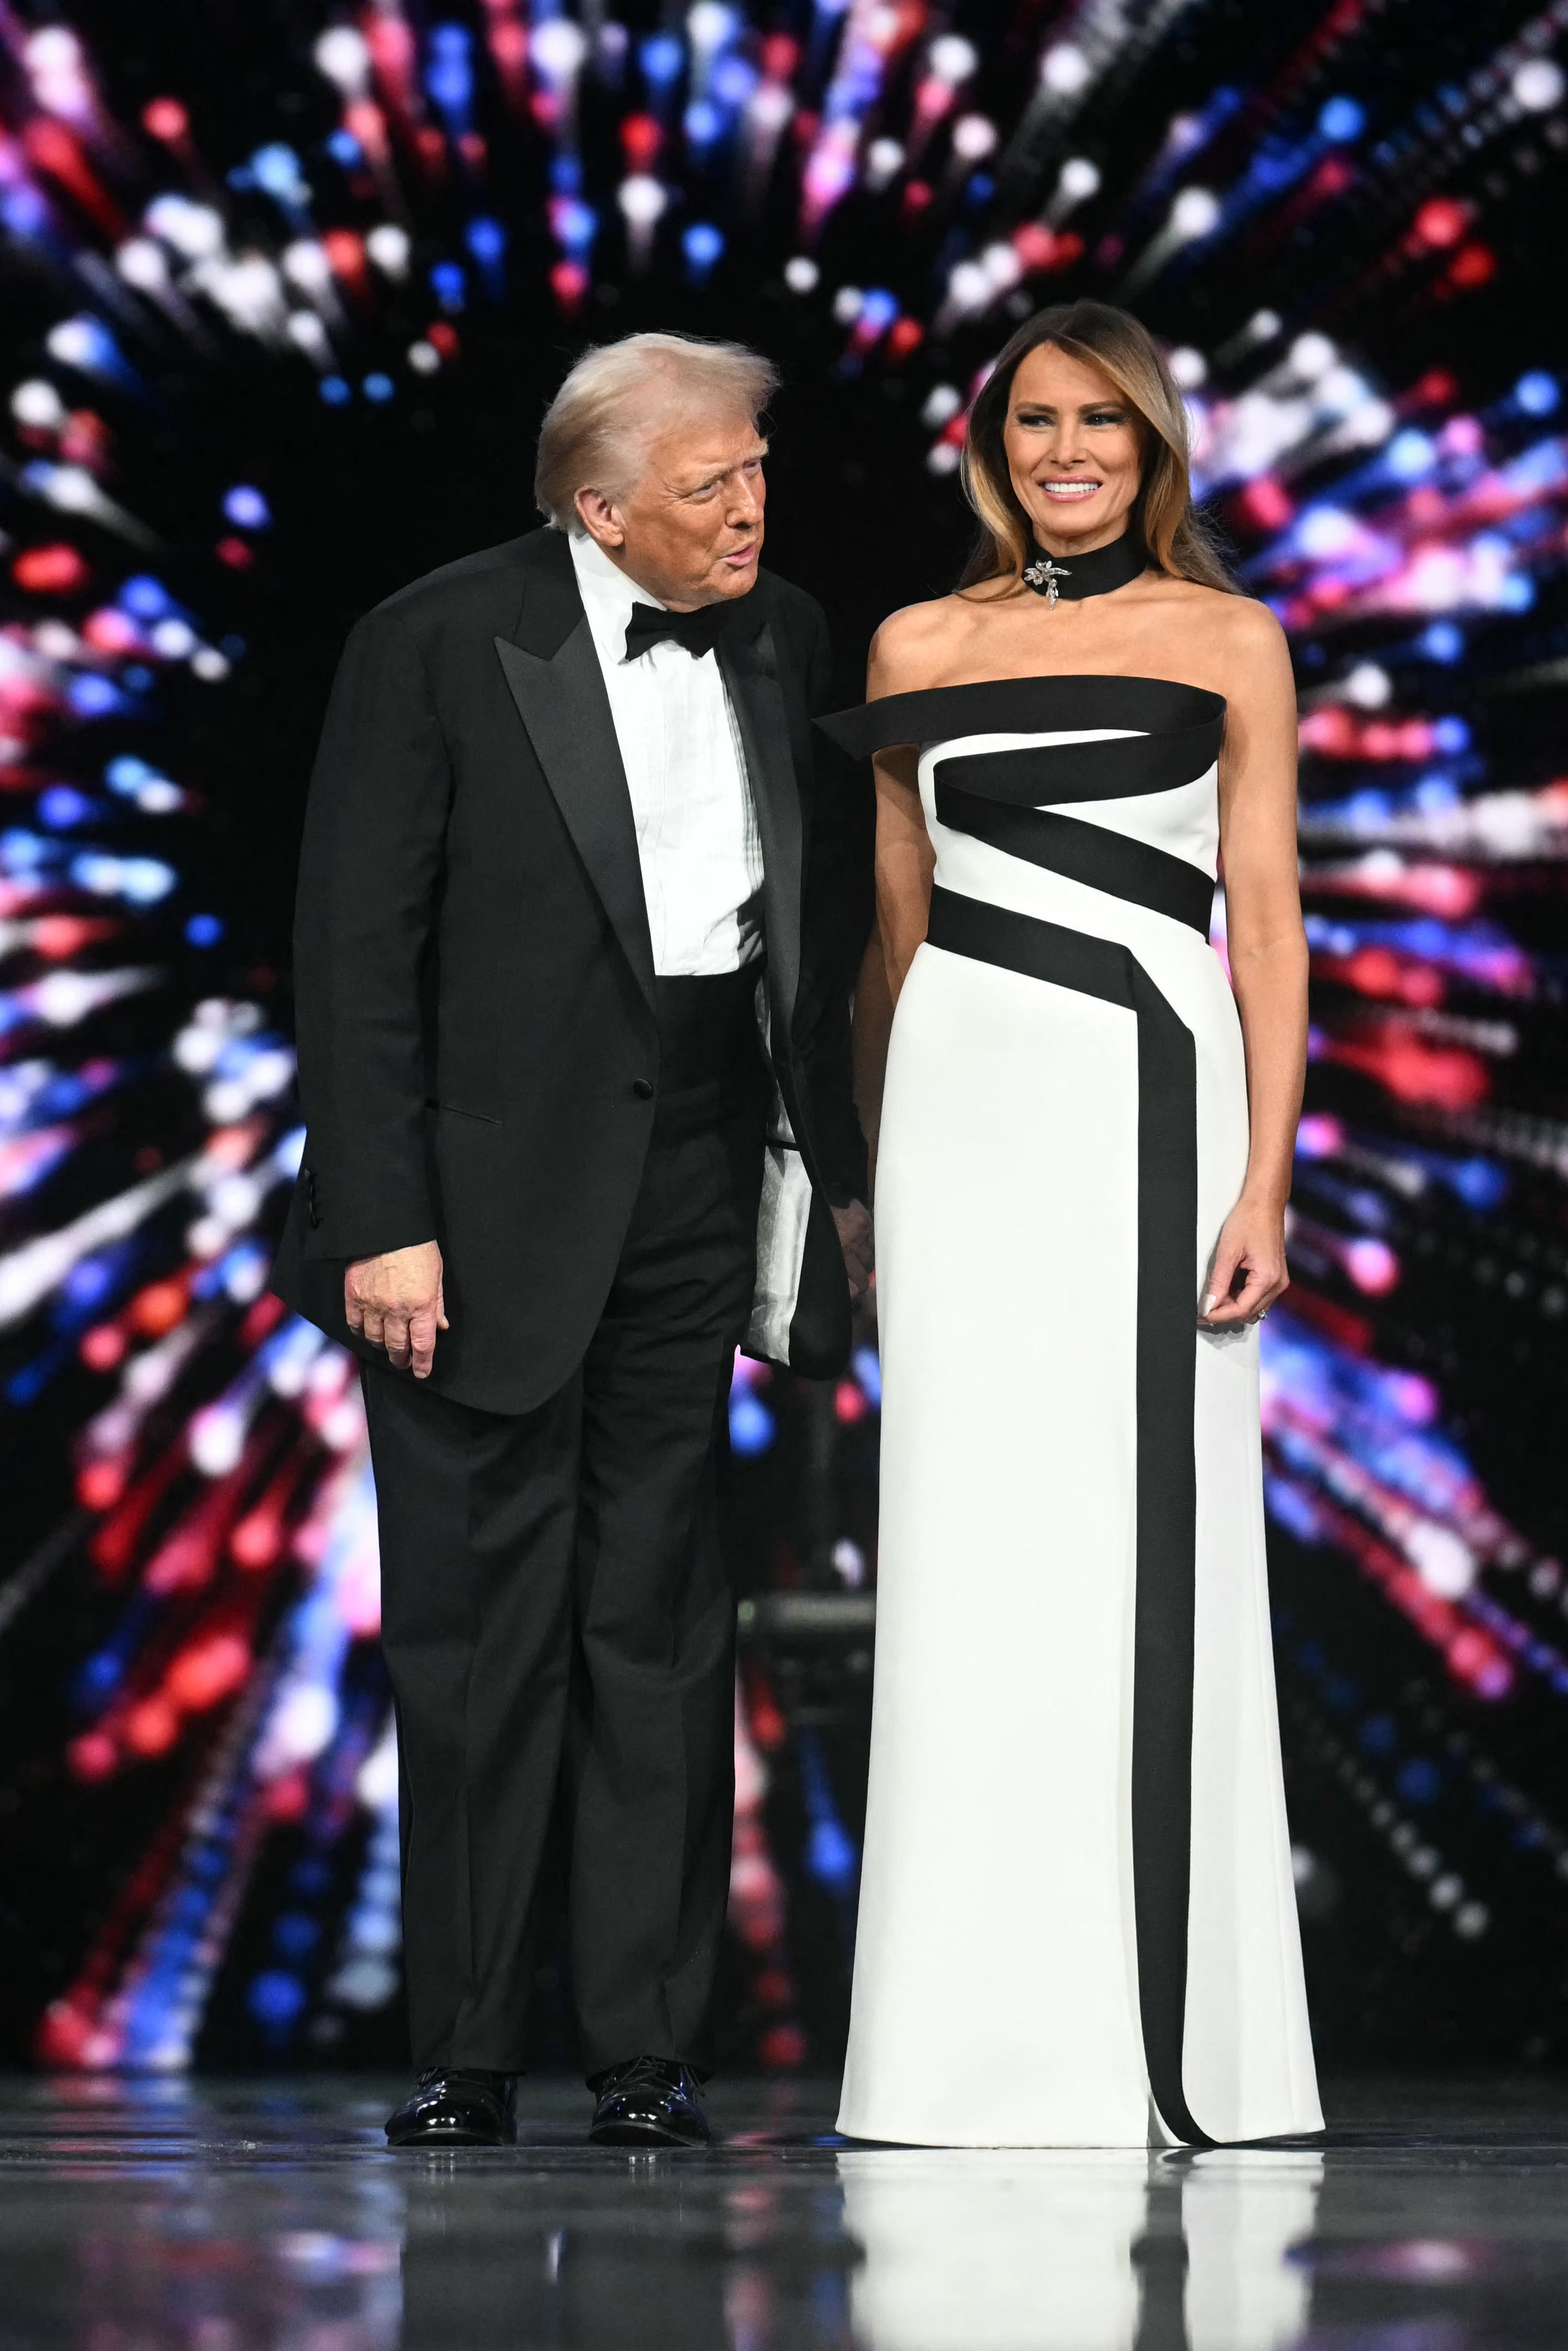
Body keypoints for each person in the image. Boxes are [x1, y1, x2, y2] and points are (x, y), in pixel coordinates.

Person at [272, 332, 873, 2150]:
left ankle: (643, 2048)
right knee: (475, 1635)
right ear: (599, 507)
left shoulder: (784, 635)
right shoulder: (440, 638)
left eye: (757, 472)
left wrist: (824, 1181)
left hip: (694, 1176)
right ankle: (464, 2048)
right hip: (475, 1213)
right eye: (711, 486)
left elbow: (813, 934)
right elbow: (354, 950)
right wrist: (384, 1216)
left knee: (661, 1626)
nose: (750, 507)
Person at [821, 300, 1322, 2148]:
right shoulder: (914, 642)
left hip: (1148, 1105)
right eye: (1037, 421)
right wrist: (871, 1175)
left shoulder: (1228, 638)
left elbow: (1260, 919)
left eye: (1102, 424)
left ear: (1156, 446)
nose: (1067, 454)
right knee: (962, 1541)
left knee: (1137, 1541)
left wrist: (1263, 1171)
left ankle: (1159, 2049)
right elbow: (893, 934)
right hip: (959, 1111)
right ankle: (957, 2050)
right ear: (995, 442)